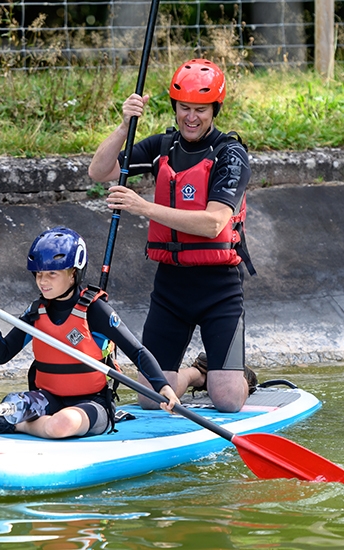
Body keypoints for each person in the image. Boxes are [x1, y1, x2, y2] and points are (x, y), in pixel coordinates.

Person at [87, 58, 257, 413]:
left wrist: (142, 206)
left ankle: (228, 377)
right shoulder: (163, 147)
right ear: (174, 107)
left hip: (219, 289)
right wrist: (123, 126)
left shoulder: (230, 155)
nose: (191, 118)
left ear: (215, 110)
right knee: (149, 398)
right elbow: (99, 171)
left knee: (227, 400)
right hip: (171, 288)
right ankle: (198, 374)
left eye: (200, 110)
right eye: (184, 108)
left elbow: (213, 224)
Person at [0, 226, 179, 441]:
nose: (43, 281)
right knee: (14, 402)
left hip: (92, 404)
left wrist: (163, 387)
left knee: (62, 425)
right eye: (39, 274)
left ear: (73, 274)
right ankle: (8, 415)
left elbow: (137, 352)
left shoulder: (95, 310)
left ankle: (12, 424)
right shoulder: (36, 312)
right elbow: (1, 355)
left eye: (52, 273)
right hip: (48, 399)